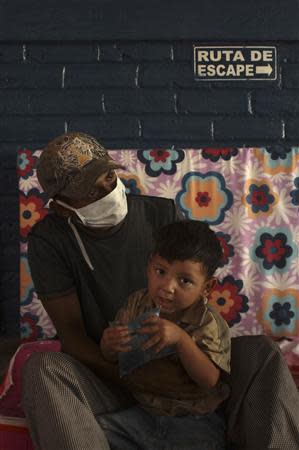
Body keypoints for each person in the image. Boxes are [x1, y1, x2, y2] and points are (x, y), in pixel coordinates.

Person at [22, 132, 181, 450]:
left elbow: (196, 306)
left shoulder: (163, 217)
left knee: (262, 353)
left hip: (175, 374)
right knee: (42, 368)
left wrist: (183, 372)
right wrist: (135, 380)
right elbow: (72, 336)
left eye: (108, 177)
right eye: (90, 191)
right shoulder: (49, 240)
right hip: (106, 378)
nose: (108, 191)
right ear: (62, 207)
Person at [98, 220, 231, 450]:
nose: (167, 287)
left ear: (207, 288)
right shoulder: (137, 304)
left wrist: (181, 339)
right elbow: (111, 357)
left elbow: (210, 380)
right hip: (142, 413)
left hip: (195, 421)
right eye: (160, 272)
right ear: (149, 267)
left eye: (184, 280)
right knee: (96, 429)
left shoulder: (207, 322)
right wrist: (109, 344)